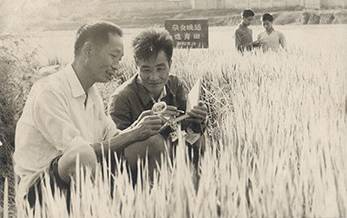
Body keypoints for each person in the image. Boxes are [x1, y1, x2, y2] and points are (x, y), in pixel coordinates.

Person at [13, 21, 165, 208]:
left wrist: (141, 127)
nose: (117, 65)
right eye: (113, 56)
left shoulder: (92, 94)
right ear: (88, 51)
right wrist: (133, 133)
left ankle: (146, 208)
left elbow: (114, 139)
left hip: (87, 178)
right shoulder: (49, 91)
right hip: (40, 191)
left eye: (119, 59)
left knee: (153, 142)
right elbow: (77, 153)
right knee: (81, 154)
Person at [108, 29, 208, 184]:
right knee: (155, 142)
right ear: (136, 65)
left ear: (170, 64)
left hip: (173, 154)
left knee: (200, 140)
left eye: (160, 69)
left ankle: (199, 185)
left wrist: (199, 117)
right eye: (146, 70)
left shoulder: (175, 85)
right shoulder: (121, 98)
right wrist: (143, 128)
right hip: (138, 168)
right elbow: (116, 145)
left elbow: (190, 128)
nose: (154, 77)